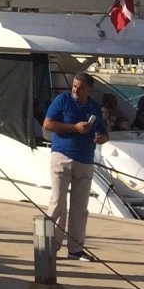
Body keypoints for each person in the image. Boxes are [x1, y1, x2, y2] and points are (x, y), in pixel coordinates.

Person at [43, 72, 108, 260]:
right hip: (62, 157)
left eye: (80, 88)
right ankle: (50, 245)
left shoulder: (94, 108)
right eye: (74, 86)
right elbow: (48, 124)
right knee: (58, 203)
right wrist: (74, 128)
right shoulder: (63, 100)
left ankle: (76, 249)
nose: (75, 91)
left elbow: (104, 133)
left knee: (80, 207)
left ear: (89, 90)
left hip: (85, 160)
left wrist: (102, 137)